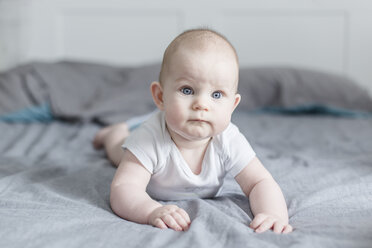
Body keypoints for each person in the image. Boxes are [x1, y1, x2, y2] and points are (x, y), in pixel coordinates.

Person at [93, 28, 293, 234]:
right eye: (187, 90)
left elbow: (259, 182)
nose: (202, 104)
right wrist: (151, 211)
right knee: (118, 150)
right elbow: (124, 189)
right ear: (160, 97)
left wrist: (273, 214)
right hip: (141, 150)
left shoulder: (229, 140)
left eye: (217, 94)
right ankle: (113, 132)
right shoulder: (149, 138)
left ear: (232, 106)